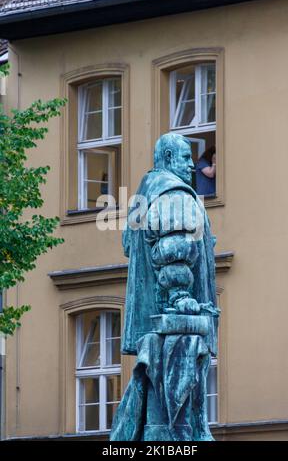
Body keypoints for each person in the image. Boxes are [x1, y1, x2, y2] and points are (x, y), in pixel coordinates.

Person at [110, 133, 219, 441]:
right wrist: (181, 295)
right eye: (186, 159)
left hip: (153, 327)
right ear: (169, 160)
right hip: (172, 326)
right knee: (175, 417)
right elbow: (173, 250)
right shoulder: (175, 194)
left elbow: (131, 246)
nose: (191, 167)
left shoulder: (145, 195)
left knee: (157, 411)